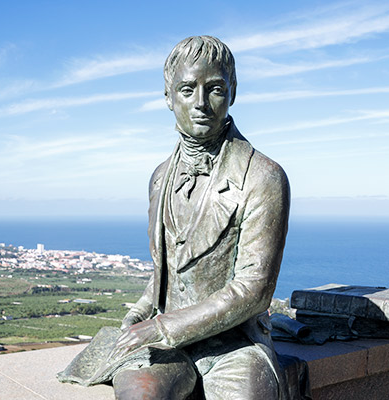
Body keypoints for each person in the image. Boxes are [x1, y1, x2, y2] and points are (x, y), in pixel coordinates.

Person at [110, 35, 290, 400]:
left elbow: (253, 291)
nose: (201, 104)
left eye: (215, 89)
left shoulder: (263, 176)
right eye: (187, 89)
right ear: (168, 96)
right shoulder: (160, 177)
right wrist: (139, 313)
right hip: (167, 344)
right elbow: (167, 273)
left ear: (233, 91)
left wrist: (159, 327)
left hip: (234, 343)